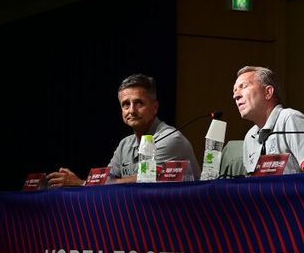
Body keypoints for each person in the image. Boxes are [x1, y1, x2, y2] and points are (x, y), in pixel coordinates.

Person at [46, 74, 200, 186]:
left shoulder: (170, 138)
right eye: (126, 104)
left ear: (155, 108)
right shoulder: (124, 145)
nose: (131, 110)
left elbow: (145, 180)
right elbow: (106, 181)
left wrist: (82, 183)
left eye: (139, 103)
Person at [233, 66, 304, 174]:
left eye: (244, 86)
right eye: (235, 90)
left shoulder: (292, 120)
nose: (236, 96)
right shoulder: (249, 137)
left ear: (268, 92)